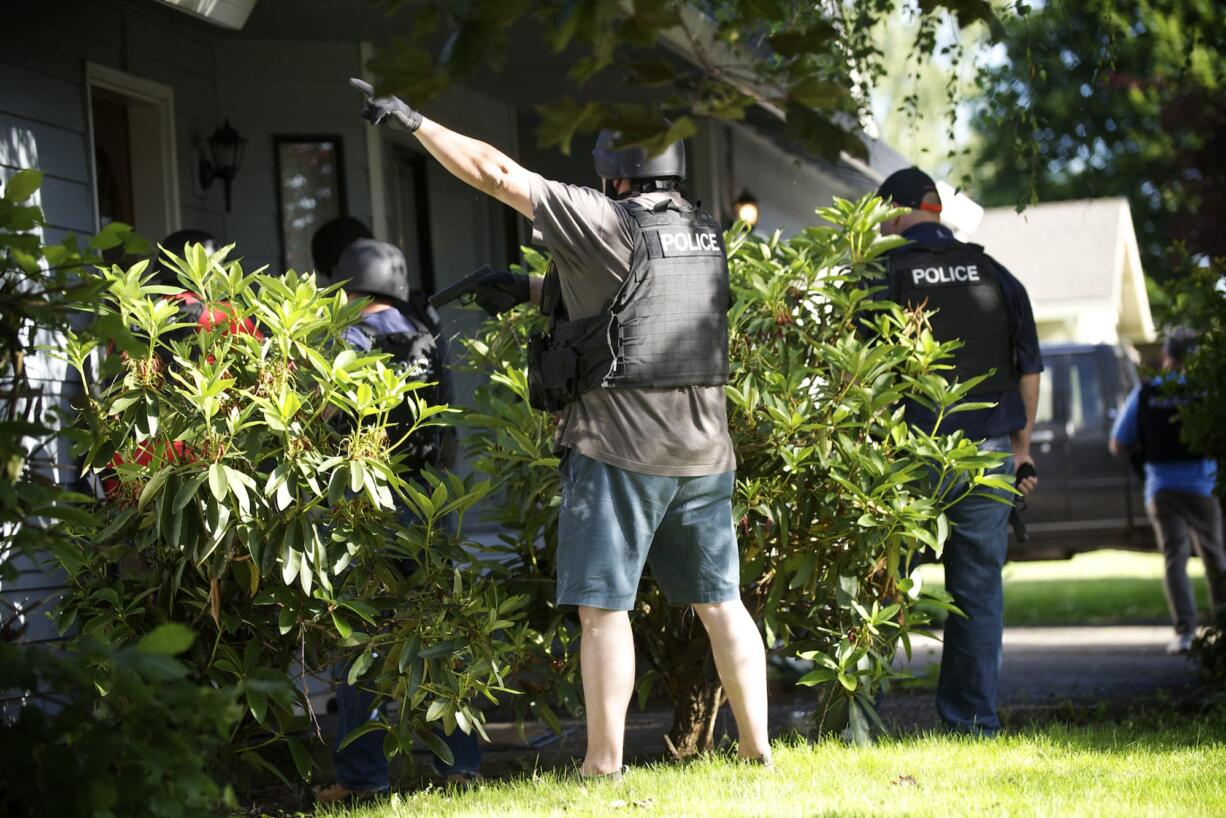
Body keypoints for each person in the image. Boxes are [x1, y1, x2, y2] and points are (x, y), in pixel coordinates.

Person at [350, 78, 771, 775]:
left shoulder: (604, 218)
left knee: (604, 612)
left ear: (615, 174)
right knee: (721, 604)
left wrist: (416, 122)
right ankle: (759, 754)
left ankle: (603, 764)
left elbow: (497, 172)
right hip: (705, 453)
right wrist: (531, 290)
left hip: (619, 451)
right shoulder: (703, 234)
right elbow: (641, 305)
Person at [312, 239, 479, 804]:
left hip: (364, 507)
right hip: (425, 502)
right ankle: (460, 766)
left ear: (348, 287)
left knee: (359, 640)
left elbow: (323, 416)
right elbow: (450, 430)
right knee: (433, 630)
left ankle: (363, 778)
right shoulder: (426, 335)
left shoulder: (346, 336)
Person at [876, 167, 1042, 736]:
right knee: (977, 590)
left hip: (907, 457)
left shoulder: (882, 273)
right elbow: (1029, 370)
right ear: (936, 210)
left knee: (885, 584)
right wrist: (1021, 452)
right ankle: (971, 721)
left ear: (895, 213)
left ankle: (858, 717)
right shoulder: (994, 274)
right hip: (987, 454)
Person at [1109, 333, 1224, 654]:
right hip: (1202, 485)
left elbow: (1118, 442)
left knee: (1175, 558)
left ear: (1166, 356)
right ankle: (1223, 626)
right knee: (1214, 556)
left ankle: (1185, 633)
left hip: (1161, 488)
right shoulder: (1206, 391)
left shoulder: (1146, 393)